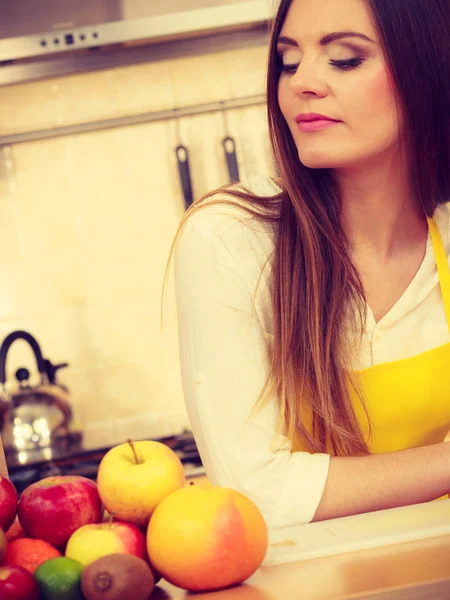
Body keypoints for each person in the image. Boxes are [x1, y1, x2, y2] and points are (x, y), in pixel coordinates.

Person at [171, 0, 450, 530]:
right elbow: (254, 494)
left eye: (344, 59)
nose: (302, 83)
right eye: (288, 60)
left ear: (427, 64)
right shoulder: (230, 238)